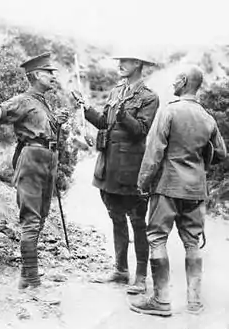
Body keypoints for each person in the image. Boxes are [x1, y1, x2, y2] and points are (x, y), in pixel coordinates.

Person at [130, 65, 227, 316]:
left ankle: (161, 301)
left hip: (167, 187)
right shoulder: (207, 117)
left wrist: (143, 183)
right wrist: (198, 162)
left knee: (157, 238)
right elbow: (221, 154)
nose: (173, 82)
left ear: (183, 82)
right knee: (192, 243)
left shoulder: (169, 111)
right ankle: (194, 302)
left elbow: (154, 152)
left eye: (176, 79)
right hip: (196, 189)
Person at [0, 52, 69, 290]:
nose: (53, 77)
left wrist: (58, 122)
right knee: (31, 219)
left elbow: (44, 130)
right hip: (33, 159)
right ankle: (30, 279)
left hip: (48, 160)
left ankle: (29, 273)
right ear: (35, 75)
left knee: (41, 217)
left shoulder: (43, 102)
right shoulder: (24, 100)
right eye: (49, 73)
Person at [75, 53, 159, 294]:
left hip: (131, 171)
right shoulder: (115, 92)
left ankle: (141, 275)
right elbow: (103, 122)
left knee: (138, 223)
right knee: (115, 218)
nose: (119, 65)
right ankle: (121, 270)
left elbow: (141, 130)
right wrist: (86, 108)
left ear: (138, 64)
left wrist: (124, 114)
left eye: (126, 61)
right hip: (109, 167)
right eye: (119, 60)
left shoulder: (149, 97)